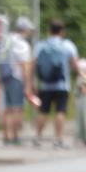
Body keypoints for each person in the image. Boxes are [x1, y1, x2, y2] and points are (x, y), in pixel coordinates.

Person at [32, 19, 79, 148]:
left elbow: (33, 64)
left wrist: (32, 82)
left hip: (45, 84)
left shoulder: (41, 45)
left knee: (43, 111)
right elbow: (76, 65)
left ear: (49, 30)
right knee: (60, 111)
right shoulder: (68, 45)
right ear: (62, 31)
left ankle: (37, 137)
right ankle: (58, 139)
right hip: (62, 85)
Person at [0, 17, 35, 146]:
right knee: (17, 108)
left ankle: (6, 137)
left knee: (7, 108)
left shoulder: (6, 39)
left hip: (6, 76)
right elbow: (24, 65)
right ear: (24, 29)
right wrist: (28, 84)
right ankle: (14, 137)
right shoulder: (22, 44)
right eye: (29, 29)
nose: (30, 32)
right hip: (17, 78)